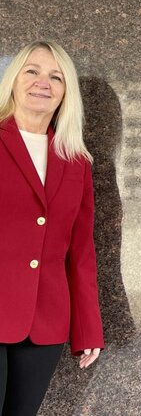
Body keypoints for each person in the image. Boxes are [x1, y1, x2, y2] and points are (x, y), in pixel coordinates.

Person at [0, 41, 104, 415]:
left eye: (55, 76)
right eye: (32, 71)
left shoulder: (76, 161)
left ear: (65, 92)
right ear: (13, 79)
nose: (43, 82)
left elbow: (81, 251)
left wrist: (88, 326)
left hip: (43, 323)